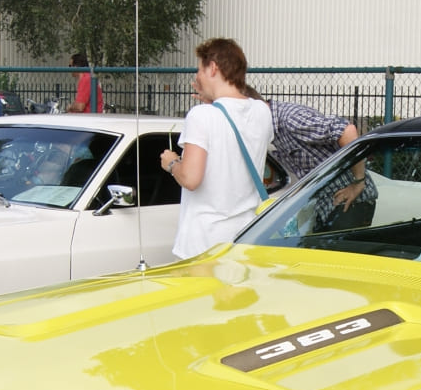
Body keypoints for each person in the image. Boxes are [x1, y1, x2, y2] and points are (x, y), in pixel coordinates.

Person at [158, 38, 273, 259]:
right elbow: (237, 117)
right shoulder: (262, 111)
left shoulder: (201, 116)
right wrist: (212, 102)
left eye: (199, 69)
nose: (197, 77)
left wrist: (172, 163)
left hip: (204, 243)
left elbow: (191, 178)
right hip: (244, 239)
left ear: (213, 68)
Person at [248, 86, 373, 228]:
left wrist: (359, 182)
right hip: (327, 206)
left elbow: (347, 131)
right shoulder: (272, 131)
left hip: (351, 202)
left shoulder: (291, 119)